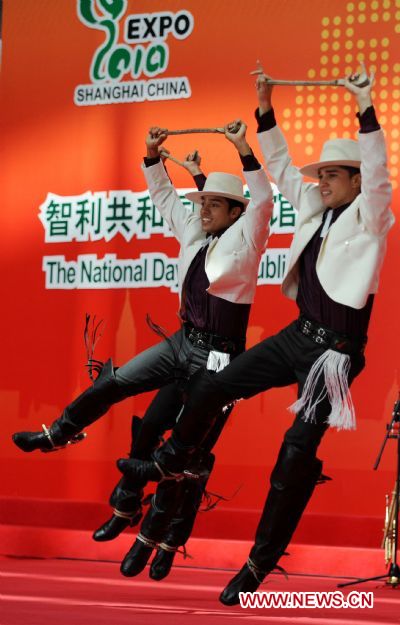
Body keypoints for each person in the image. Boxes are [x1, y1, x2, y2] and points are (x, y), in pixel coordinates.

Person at [118, 64, 394, 604]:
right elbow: (286, 169)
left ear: (358, 181)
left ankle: (256, 565)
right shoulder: (320, 209)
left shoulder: (372, 215)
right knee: (213, 387)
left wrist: (366, 109)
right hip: (299, 335)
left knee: (294, 457)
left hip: (332, 358)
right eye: (325, 175)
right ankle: (174, 458)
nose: (322, 181)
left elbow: (380, 170)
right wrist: (262, 109)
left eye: (334, 175)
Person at [12, 121, 274, 576]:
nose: (204, 209)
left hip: (219, 363)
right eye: (204, 202)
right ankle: (58, 435)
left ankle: (156, 538)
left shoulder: (247, 241)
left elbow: (264, 201)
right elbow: (165, 200)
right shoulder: (195, 232)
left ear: (236, 212)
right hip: (181, 344)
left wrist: (243, 149)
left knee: (185, 455)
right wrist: (152, 157)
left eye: (215, 204)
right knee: (119, 387)